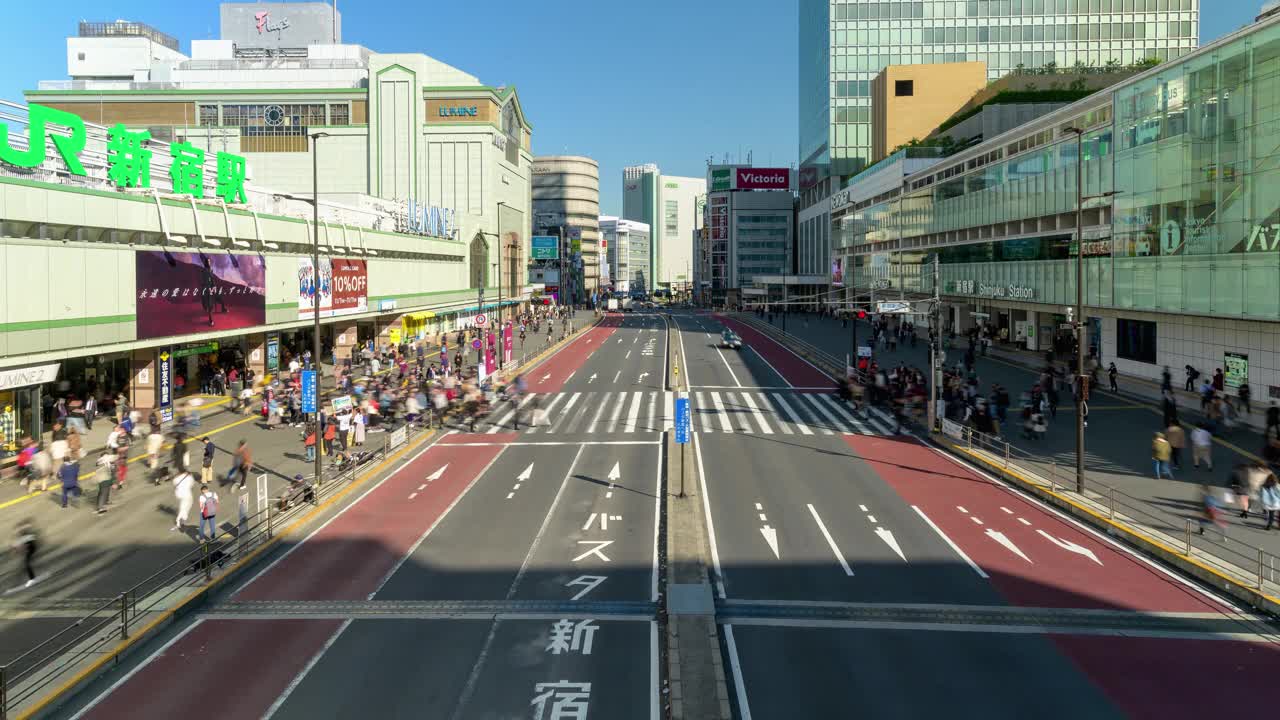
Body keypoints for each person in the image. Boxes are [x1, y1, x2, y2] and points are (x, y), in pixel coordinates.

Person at [11, 521, 38, 590]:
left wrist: (20, 547)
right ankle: (31, 578)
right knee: (26, 564)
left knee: (26, 564)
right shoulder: (21, 535)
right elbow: (19, 544)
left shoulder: (25, 534)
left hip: (32, 548)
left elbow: (29, 540)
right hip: (29, 548)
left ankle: (32, 579)